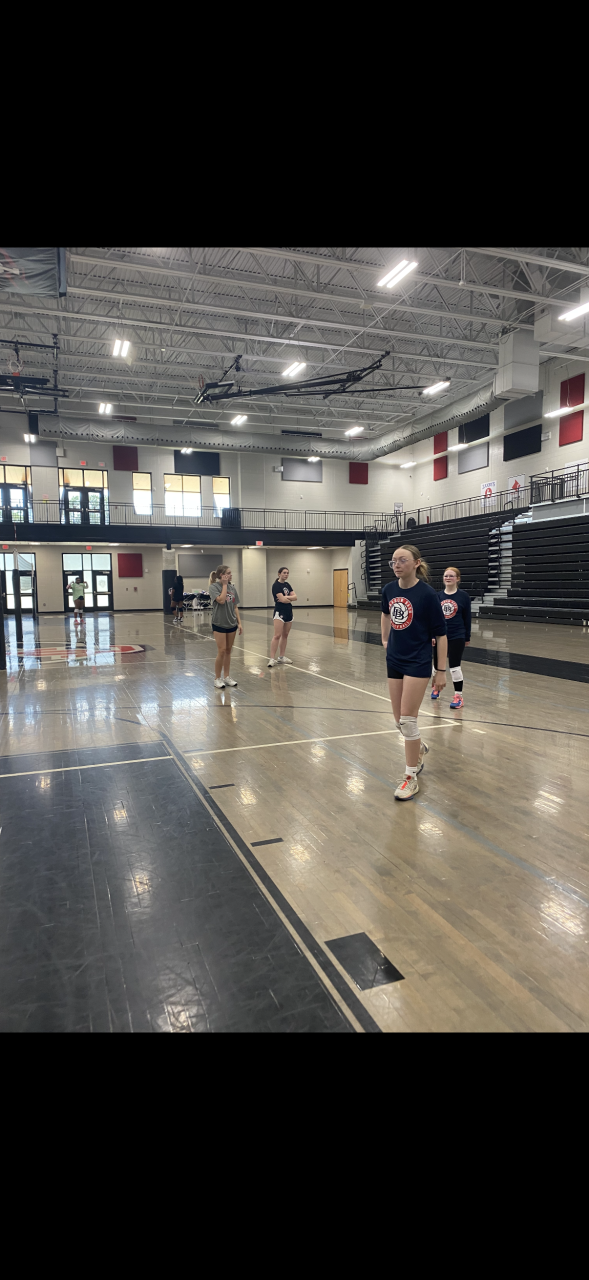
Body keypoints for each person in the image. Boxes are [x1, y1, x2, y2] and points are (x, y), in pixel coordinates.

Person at [381, 544, 448, 801]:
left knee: (408, 721)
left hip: (417, 661)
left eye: (402, 560)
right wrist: (385, 640)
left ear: (416, 563)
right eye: (394, 561)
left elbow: (441, 635)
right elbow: (386, 614)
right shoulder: (389, 589)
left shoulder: (428, 595)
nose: (397, 565)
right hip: (394, 660)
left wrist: (440, 671)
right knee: (399, 721)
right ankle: (418, 746)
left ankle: (410, 777)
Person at [431, 566, 471, 709]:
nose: (448, 578)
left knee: (455, 666)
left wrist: (467, 636)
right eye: (446, 576)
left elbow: (467, 618)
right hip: (440, 636)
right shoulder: (438, 596)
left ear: (457, 579)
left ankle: (458, 696)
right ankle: (436, 687)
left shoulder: (463, 596)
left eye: (451, 576)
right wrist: (432, 635)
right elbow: (433, 618)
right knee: (437, 666)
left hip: (457, 635)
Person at [209, 565, 242, 688]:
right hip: (219, 622)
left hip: (231, 622)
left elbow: (235, 606)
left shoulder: (232, 588)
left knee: (228, 650)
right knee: (222, 650)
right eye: (228, 573)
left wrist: (239, 623)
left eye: (230, 573)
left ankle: (227, 676)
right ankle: (217, 678)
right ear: (222, 575)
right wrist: (224, 585)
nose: (230, 575)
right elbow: (221, 600)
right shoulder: (213, 587)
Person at [268, 566, 297, 667]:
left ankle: (281, 657)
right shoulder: (276, 585)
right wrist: (288, 598)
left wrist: (287, 597)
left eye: (287, 573)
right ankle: (272, 658)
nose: (286, 574)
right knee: (277, 635)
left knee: (285, 635)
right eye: (284, 573)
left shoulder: (287, 585)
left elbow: (295, 597)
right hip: (280, 611)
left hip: (289, 611)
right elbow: (282, 600)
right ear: (279, 574)